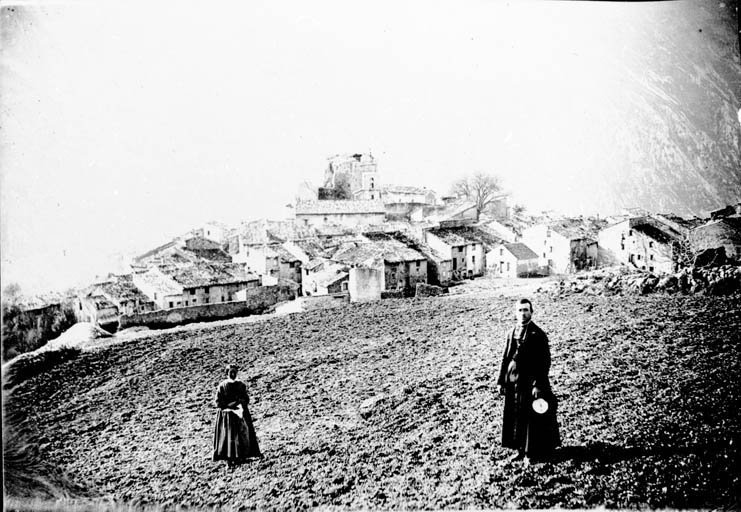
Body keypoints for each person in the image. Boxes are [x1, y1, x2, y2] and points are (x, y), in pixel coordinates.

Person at [496, 298, 560, 464]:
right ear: (515, 313)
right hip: (512, 383)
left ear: (531, 312)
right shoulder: (511, 333)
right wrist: (501, 381)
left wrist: (538, 384)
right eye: (520, 310)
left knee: (530, 419)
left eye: (526, 310)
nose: (522, 313)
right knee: (515, 416)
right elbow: (505, 358)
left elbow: (544, 362)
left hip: (530, 384)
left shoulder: (537, 334)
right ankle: (518, 450)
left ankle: (531, 453)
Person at [212, 364, 262, 469]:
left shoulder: (241, 385)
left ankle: (242, 456)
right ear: (227, 373)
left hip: (240, 412)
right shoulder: (222, 386)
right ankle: (229, 459)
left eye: (235, 372)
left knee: (242, 433)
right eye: (231, 372)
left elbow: (246, 399)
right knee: (228, 436)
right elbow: (218, 402)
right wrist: (227, 405)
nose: (233, 374)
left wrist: (239, 403)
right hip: (227, 415)